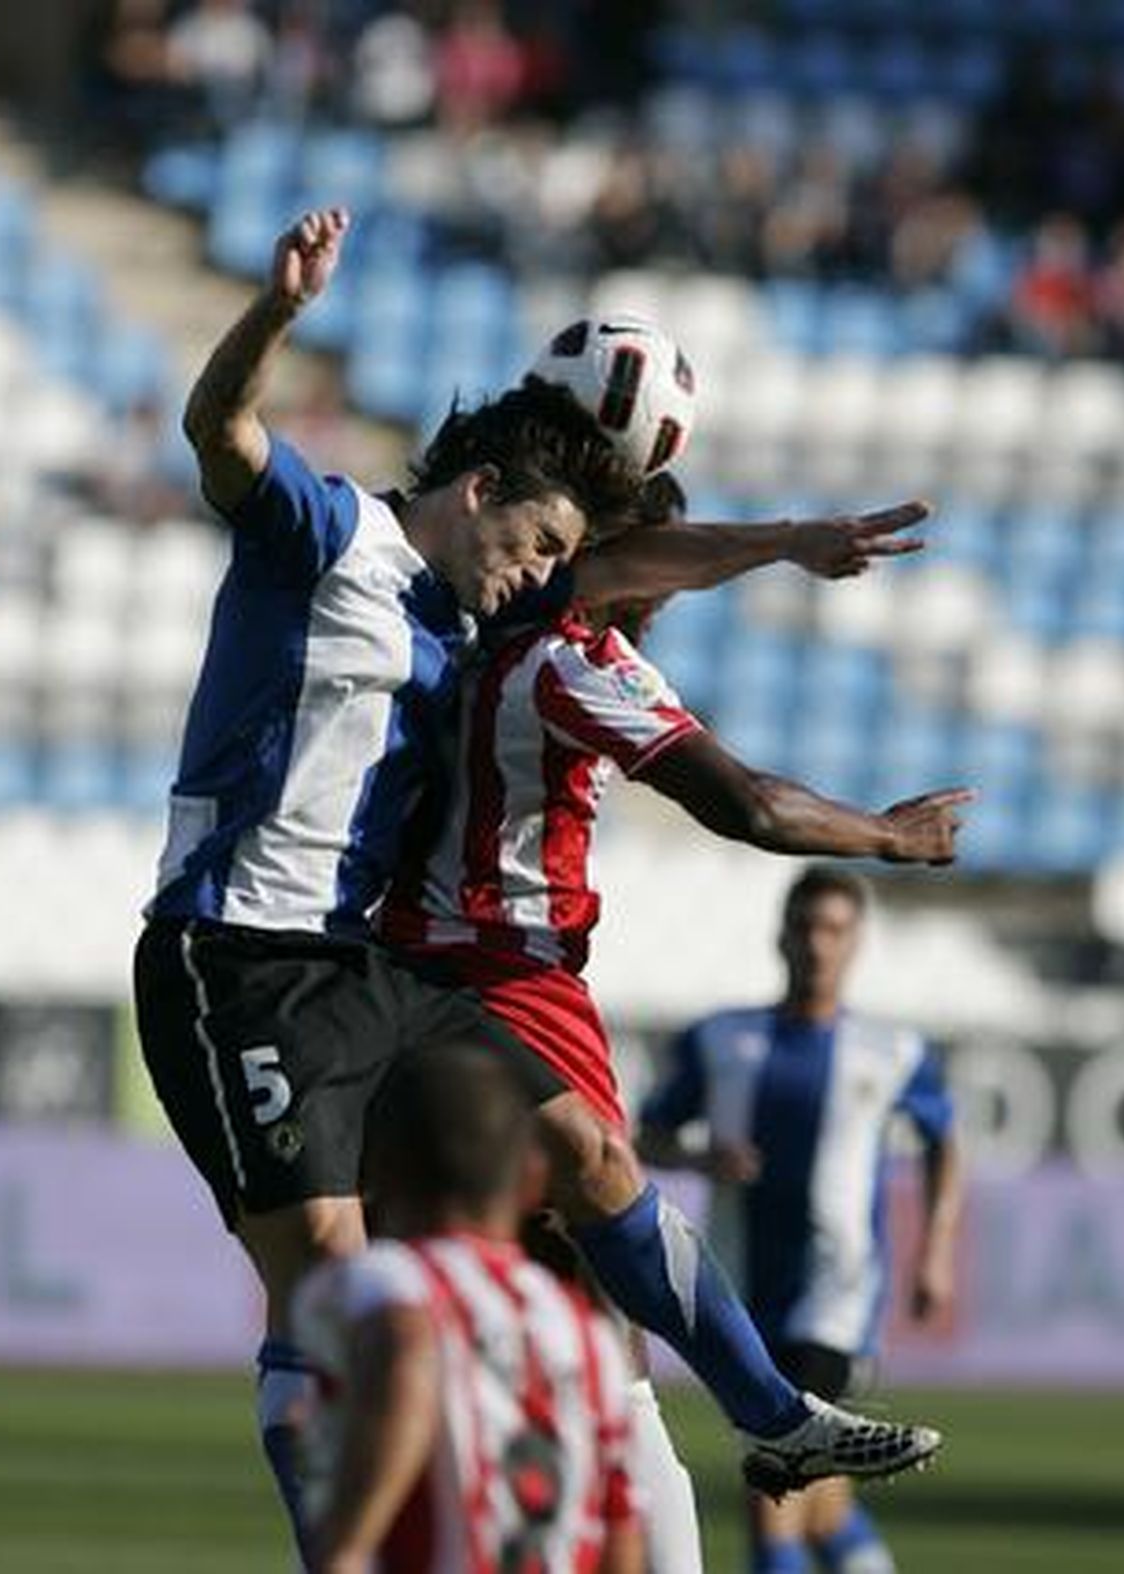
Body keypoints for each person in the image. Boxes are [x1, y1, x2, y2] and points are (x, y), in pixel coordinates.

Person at [135, 205, 935, 1560]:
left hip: (376, 965)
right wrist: (278, 313)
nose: (550, 573)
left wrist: (789, 538)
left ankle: (771, 1410)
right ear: (482, 487)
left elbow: (625, 566)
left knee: (590, 1150)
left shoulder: (477, 608)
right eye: (540, 540)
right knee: (331, 1281)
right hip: (236, 957)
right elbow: (218, 435)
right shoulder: (326, 534)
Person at [380, 470, 968, 1506]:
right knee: (597, 1188)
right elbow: (753, 805)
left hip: (497, 971)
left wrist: (786, 539)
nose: (667, 599)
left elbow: (656, 557)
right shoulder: (571, 658)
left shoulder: (512, 617)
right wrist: (891, 832)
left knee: (583, 1298)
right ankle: (767, 1411)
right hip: (489, 966)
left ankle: (606, 1483)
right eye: (660, 568)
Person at [639, 866, 965, 1573]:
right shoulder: (722, 1039)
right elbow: (645, 1137)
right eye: (807, 927)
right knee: (825, 1507)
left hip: (836, 1299)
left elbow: (945, 1141)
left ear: (856, 944)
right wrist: (700, 1157)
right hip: (743, 1297)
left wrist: (935, 1250)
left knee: (774, 1485)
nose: (819, 945)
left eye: (836, 931)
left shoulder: (893, 1050)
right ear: (781, 935)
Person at [292, 1038, 644, 1573]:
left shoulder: (385, 1281)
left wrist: (345, 1552)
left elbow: (408, 1348)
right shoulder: (588, 1333)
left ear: (378, 1171)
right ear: (532, 1181)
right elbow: (621, 1534)